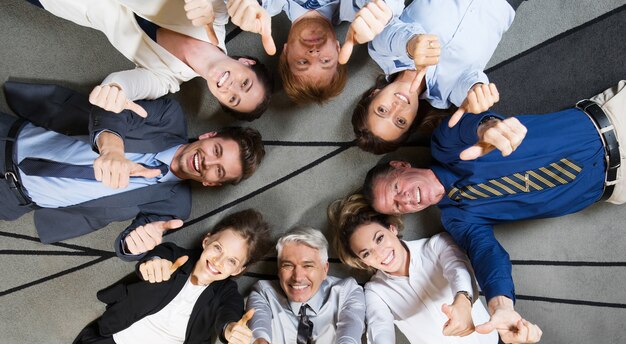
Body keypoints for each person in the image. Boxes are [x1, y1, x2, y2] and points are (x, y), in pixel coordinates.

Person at [362, 80, 626, 343]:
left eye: (396, 188)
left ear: (401, 165)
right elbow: (487, 255)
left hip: (613, 122)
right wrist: (501, 306)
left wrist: (487, 130)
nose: (405, 199)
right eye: (398, 206)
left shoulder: (445, 146)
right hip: (618, 185)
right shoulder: (458, 218)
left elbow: (470, 126)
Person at [5, 209, 274, 344]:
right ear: (207, 240)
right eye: (218, 248)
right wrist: (151, 265)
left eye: (231, 261)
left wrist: (230, 331)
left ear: (238, 271)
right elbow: (153, 258)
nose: (218, 261)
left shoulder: (225, 294)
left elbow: (228, 316)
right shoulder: (173, 255)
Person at [327, 193, 550, 344]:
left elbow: (457, 269)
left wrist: (462, 300)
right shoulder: (375, 291)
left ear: (392, 228)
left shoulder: (436, 245)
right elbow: (379, 325)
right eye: (366, 253)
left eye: (379, 238)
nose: (379, 253)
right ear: (361, 261)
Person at [1, 81, 265, 260]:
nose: (208, 163)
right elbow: (114, 109)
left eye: (218, 171)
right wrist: (112, 149)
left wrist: (135, 245)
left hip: (13, 201)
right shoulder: (168, 117)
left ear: (211, 183)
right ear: (209, 135)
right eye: (216, 151)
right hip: (10, 138)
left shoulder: (174, 208)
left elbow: (127, 244)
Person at [27, 0, 273, 121]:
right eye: (245, 84)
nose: (231, 88)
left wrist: (114, 91)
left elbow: (125, 86)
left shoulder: (165, 81)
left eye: (232, 99)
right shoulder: (217, 14)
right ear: (246, 62)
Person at [352, 0, 518, 154]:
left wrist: (412, 44)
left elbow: (395, 34)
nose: (397, 107)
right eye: (400, 121)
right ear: (412, 120)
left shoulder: (380, 51)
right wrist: (478, 93)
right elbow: (469, 85)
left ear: (373, 94)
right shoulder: (449, 94)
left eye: (382, 110)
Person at [245, 226, 365, 344]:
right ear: (278, 269)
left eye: (308, 265)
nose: (297, 277)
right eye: (288, 265)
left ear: (325, 269)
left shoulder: (346, 291)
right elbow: (259, 326)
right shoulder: (263, 293)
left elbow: (351, 326)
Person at [226, 0, 402, 103]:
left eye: (303, 62)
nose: (314, 53)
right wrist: (384, 9)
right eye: (325, 61)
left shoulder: (261, 6)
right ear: (338, 49)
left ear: (286, 52)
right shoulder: (360, 8)